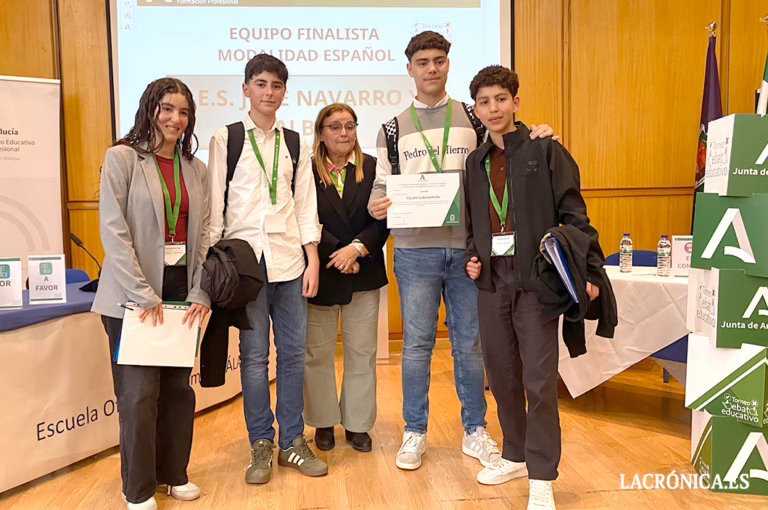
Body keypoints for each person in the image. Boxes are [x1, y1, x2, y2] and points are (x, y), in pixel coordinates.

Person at [367, 30, 556, 471]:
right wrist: (378, 204)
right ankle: (415, 431)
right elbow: (381, 184)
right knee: (416, 345)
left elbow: (510, 144)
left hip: (471, 252)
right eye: (422, 62)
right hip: (414, 251)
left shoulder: (473, 117)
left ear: (448, 64)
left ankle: (475, 429)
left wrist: (540, 132)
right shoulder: (391, 129)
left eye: (439, 60)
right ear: (409, 69)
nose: (431, 69)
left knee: (470, 345)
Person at [464, 65, 604, 510]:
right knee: (501, 375)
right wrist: (472, 256)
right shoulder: (474, 162)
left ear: (516, 102)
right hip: (492, 283)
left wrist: (590, 272)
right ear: (476, 109)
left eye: (500, 99)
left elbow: (575, 216)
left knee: (540, 382)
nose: (493, 108)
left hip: (536, 283)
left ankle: (542, 475)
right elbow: (473, 224)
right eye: (484, 102)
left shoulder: (546, 150)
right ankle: (515, 455)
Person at [92, 77, 211, 510]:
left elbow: (205, 234)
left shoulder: (196, 169)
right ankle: (139, 490)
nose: (175, 119)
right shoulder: (122, 158)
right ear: (150, 109)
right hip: (132, 298)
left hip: (180, 295)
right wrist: (143, 293)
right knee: (139, 396)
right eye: (167, 109)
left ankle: (173, 474)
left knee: (178, 392)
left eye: (183, 112)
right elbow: (114, 231)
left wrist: (200, 290)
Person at [208, 54, 326, 484]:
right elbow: (215, 205)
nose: (268, 92)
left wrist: (313, 259)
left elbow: (305, 204)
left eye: (276, 85)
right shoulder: (226, 138)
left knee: (293, 354)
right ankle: (260, 442)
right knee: (255, 357)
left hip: (290, 260)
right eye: (260, 84)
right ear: (246, 89)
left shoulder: (294, 142)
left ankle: (292, 440)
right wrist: (210, 265)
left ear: (284, 91)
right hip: (245, 266)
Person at [304, 103, 389, 453]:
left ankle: (357, 424)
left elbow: (385, 217)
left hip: (364, 271)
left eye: (350, 126)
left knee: (362, 353)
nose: (344, 133)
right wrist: (339, 253)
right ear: (321, 132)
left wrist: (357, 249)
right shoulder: (306, 169)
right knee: (317, 354)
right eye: (335, 126)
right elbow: (301, 216)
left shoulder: (373, 166)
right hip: (321, 271)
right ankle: (323, 421)